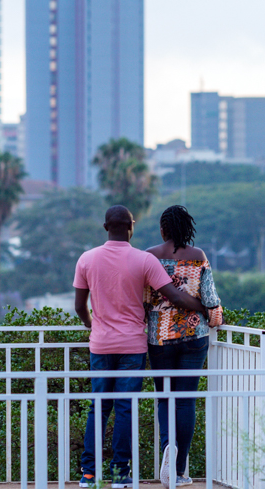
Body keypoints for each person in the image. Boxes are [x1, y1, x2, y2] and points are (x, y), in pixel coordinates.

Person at [74, 205, 209, 489]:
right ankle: (121, 475)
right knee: (125, 407)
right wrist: (208, 309)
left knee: (98, 407)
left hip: (100, 345)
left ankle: (88, 474)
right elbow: (174, 296)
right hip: (132, 345)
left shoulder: (86, 259)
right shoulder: (143, 261)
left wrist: (91, 323)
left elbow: (79, 306)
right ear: (131, 227)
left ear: (105, 227)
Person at [145, 205, 223, 488]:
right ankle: (179, 471)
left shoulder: (150, 256)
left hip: (160, 339)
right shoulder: (198, 256)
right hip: (194, 337)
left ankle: (169, 447)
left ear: (163, 229)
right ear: (186, 229)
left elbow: (143, 299)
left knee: (165, 397)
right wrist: (214, 319)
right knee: (186, 400)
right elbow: (211, 299)